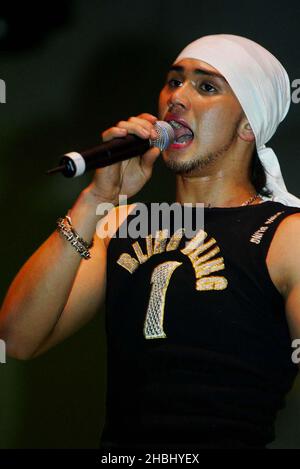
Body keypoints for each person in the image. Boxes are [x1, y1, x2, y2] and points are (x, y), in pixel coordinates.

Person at [1, 34, 300, 451]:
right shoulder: (122, 222)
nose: (177, 98)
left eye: (206, 86)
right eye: (174, 81)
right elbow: (18, 338)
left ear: (250, 123)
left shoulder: (286, 233)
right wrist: (97, 199)